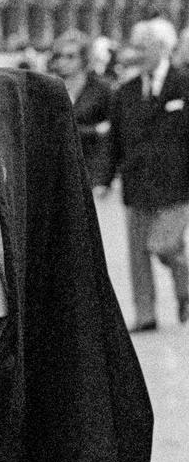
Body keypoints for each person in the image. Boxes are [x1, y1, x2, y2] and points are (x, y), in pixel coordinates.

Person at [101, 17, 189, 332]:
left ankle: (185, 286)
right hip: (136, 181)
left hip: (175, 184)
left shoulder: (183, 85)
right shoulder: (124, 92)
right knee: (138, 253)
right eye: (136, 46)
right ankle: (145, 314)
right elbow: (114, 140)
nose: (139, 52)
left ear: (163, 47)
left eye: (145, 46)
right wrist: (105, 178)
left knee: (165, 245)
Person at [50, 30, 113, 187]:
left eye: (70, 56)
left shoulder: (101, 89)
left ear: (84, 58)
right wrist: (94, 131)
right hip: (57, 172)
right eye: (59, 56)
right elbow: (51, 131)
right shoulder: (50, 88)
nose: (63, 61)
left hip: (91, 172)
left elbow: (111, 132)